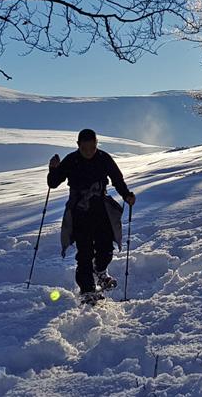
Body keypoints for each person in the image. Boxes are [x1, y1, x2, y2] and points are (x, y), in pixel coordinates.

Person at [47, 128, 136, 304]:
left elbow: (117, 179)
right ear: (78, 145)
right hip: (79, 213)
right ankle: (87, 290)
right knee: (85, 253)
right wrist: (53, 169)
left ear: (96, 144)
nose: (89, 151)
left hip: (101, 210)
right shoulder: (72, 160)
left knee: (106, 249)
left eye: (92, 147)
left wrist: (127, 195)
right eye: (85, 148)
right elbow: (53, 183)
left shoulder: (104, 158)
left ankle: (100, 271)